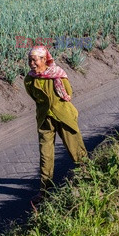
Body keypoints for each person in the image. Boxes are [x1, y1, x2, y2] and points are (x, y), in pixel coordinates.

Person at [24, 46, 87, 205]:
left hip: (64, 117)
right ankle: (45, 191)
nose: (32, 63)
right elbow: (35, 97)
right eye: (30, 60)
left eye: (35, 60)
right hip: (45, 120)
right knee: (45, 155)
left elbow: (68, 93)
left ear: (44, 60)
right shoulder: (29, 80)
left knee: (76, 149)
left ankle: (89, 179)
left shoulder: (58, 75)